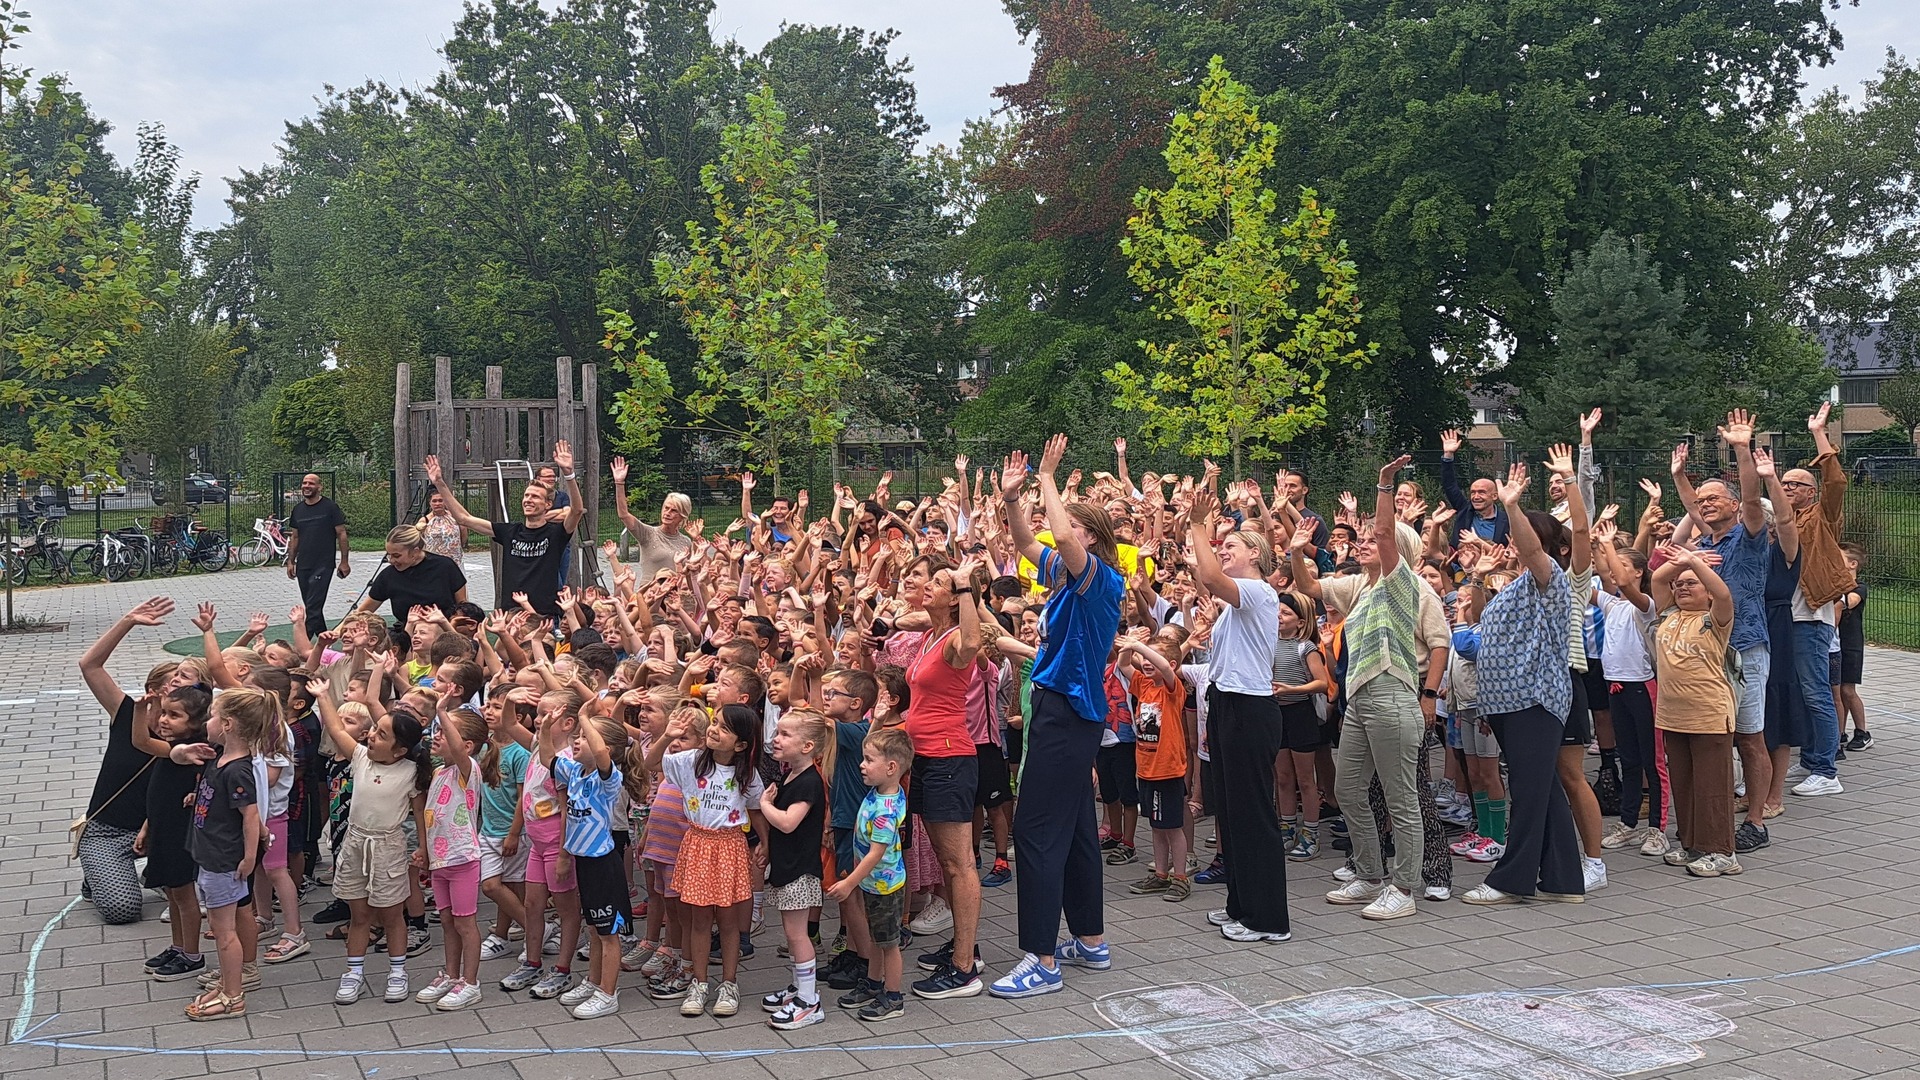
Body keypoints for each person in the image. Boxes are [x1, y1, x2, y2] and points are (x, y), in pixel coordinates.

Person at [989, 435, 1125, 997]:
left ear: (1089, 537)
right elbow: (1026, 541)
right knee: (1073, 829)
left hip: (1066, 712)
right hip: (1065, 709)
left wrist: (1048, 476)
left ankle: (1041, 959)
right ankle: (1089, 940)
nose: (1052, 536)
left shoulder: (1097, 579)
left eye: (1066, 529)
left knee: (1035, 830)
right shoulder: (1065, 578)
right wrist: (1015, 498)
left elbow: (1062, 535)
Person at [1295, 455, 1432, 922]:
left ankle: (1405, 887)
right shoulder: (1362, 587)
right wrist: (1296, 550)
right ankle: (1370, 874)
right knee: (1350, 790)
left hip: (1393, 696)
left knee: (1401, 797)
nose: (1369, 542)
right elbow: (1307, 588)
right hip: (1359, 700)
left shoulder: (1402, 584)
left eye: (1377, 539)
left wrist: (1384, 485)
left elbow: (1388, 533)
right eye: (1366, 538)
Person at [1459, 465, 1583, 906]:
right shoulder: (1511, 587)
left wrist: (1511, 506)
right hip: (1507, 705)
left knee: (1528, 795)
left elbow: (1534, 553)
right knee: (1544, 790)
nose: (1514, 539)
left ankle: (1510, 880)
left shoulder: (1548, 580)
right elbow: (1480, 630)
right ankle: (1565, 880)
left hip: (1534, 700)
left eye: (1523, 533)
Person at [1670, 413, 1773, 833]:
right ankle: (1713, 817)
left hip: (1745, 646)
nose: (1706, 503)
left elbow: (1752, 499)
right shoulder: (1702, 543)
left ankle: (1756, 819)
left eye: (1715, 498)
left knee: (1749, 738)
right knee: (1714, 737)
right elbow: (1691, 509)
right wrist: (1679, 477)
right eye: (1702, 500)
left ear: (1732, 505)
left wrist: (1742, 449)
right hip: (1707, 652)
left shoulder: (1748, 535)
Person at [308, 679, 433, 1006]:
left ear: (401, 750)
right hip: (355, 844)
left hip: (388, 847)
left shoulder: (410, 772)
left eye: (382, 734)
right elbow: (336, 730)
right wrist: (323, 696)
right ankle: (353, 972)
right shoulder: (361, 757)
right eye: (374, 730)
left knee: (392, 915)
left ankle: (397, 971)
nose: (371, 736)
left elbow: (419, 813)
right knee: (359, 915)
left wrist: (423, 848)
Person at [645, 703, 764, 1019]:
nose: (714, 729)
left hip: (729, 847)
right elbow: (649, 762)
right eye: (714, 722)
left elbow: (756, 810)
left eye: (724, 728)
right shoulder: (690, 762)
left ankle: (728, 983)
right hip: (696, 844)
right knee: (698, 920)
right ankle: (698, 983)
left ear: (740, 744)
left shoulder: (747, 775)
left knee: (728, 921)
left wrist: (766, 844)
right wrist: (667, 735)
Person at [77, 596, 187, 925]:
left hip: (157, 832)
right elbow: (89, 666)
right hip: (107, 832)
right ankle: (98, 874)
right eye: (174, 682)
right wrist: (128, 620)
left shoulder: (188, 733)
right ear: (153, 689)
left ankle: (131, 871)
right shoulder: (126, 713)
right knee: (123, 910)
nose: (181, 688)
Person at [180, 689, 275, 1021]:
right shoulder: (218, 758)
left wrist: (250, 858)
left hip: (224, 861)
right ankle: (227, 984)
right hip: (211, 856)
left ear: (229, 724)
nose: (208, 721)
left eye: (213, 716)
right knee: (222, 927)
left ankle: (233, 995)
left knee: (224, 931)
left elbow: (250, 816)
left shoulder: (238, 770)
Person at [1648, 544, 1742, 877]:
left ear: (1707, 591)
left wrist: (1694, 564)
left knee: (1712, 786)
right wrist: (1682, 562)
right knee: (1684, 784)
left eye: (1692, 583)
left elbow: (1724, 594)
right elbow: (1659, 578)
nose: (1684, 587)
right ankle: (1693, 845)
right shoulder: (1669, 616)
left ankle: (1722, 851)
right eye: (1681, 583)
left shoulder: (1714, 619)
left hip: (1709, 715)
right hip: (1673, 715)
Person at [1778, 403, 1855, 795]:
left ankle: (1827, 771)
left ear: (1810, 492)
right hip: (1785, 616)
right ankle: (1810, 759)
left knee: (1815, 691)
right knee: (1799, 692)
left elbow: (1836, 482)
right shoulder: (1781, 522)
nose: (1787, 488)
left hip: (1811, 614)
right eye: (1785, 483)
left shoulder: (1822, 515)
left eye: (1795, 484)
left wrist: (1819, 434)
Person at [426, 443, 584, 619]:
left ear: (548, 504)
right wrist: (439, 483)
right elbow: (464, 519)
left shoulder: (555, 533)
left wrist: (569, 474)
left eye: (535, 496)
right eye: (526, 495)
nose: (528, 500)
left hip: (544, 615)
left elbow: (576, 511)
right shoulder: (510, 532)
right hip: (511, 614)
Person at [829, 725, 913, 1024]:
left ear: (891, 767)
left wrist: (849, 882)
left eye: (868, 760)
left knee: (888, 943)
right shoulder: (879, 792)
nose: (861, 765)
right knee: (878, 938)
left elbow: (877, 852)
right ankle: (874, 983)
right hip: (873, 883)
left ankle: (893, 996)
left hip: (885, 886)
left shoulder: (886, 810)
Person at [553, 711, 631, 1020]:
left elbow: (600, 752)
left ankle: (608, 993)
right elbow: (549, 754)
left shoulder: (608, 779)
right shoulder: (575, 772)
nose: (578, 739)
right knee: (594, 929)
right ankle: (594, 981)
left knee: (608, 933)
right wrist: (548, 726)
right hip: (583, 862)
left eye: (585, 736)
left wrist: (584, 716)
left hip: (602, 864)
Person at [759, 710, 833, 1030]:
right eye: (777, 732)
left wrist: (765, 806)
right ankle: (798, 987)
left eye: (785, 734)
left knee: (797, 934)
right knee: (792, 934)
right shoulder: (790, 775)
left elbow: (788, 823)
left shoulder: (809, 782)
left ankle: (808, 1000)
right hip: (788, 866)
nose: (776, 738)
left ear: (807, 746)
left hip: (800, 872)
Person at [413, 699, 488, 1013]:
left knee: (465, 923)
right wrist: (426, 853)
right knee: (446, 920)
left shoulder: (466, 771)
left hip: (462, 860)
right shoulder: (440, 773)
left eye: (444, 732)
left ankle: (470, 983)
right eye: (436, 731)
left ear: (466, 745)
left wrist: (442, 711)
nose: (436, 736)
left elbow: (456, 749)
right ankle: (452, 974)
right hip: (441, 862)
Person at [355, 525, 469, 624]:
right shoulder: (388, 576)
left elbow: (463, 607)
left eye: (396, 556)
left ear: (415, 551)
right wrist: (339, 630)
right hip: (407, 633)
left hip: (444, 631)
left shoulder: (445, 566)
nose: (391, 560)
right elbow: (363, 611)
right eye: (388, 555)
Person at [286, 473, 350, 638]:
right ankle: (324, 641)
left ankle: (303, 645)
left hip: (323, 564)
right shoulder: (298, 510)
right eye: (304, 483)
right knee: (312, 605)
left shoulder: (330, 507)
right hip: (303, 565)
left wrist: (344, 562)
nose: (307, 486)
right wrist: (291, 561)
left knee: (313, 607)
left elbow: (341, 533)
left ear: (319, 487)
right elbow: (295, 536)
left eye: (311, 483)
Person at [610, 456, 694, 581]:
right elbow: (623, 514)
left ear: (683, 515)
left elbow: (690, 575)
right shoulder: (648, 533)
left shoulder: (686, 542)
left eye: (674, 510)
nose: (667, 513)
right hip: (649, 595)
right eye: (666, 508)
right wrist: (619, 483)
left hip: (674, 596)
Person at [1439, 429, 1511, 543]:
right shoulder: (1464, 511)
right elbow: (1449, 485)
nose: (1476, 496)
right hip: (1461, 561)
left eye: (1482, 492)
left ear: (1495, 496)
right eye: (1473, 492)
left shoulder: (1507, 520)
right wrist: (1448, 455)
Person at [1835, 545, 1869, 750]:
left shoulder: (1859, 587)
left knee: (1848, 690)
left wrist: (1836, 598)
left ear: (1852, 564)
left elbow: (1851, 602)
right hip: (1837, 644)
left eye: (1839, 558)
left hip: (1851, 646)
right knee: (1837, 691)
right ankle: (1840, 731)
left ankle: (1863, 732)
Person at [416, 491, 468, 565]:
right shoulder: (425, 520)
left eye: (440, 500)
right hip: (433, 560)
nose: (437, 504)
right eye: (434, 501)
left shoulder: (455, 517)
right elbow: (419, 539)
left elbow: (463, 533)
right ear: (430, 503)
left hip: (453, 559)